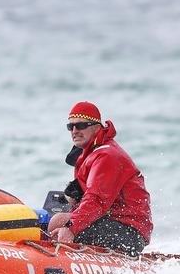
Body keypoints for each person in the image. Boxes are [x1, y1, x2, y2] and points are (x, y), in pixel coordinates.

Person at [48, 102, 153, 256]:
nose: (75, 131)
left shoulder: (107, 155)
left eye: (81, 125)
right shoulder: (89, 154)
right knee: (53, 218)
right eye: (71, 127)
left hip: (130, 232)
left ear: (97, 127)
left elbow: (96, 200)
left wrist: (70, 229)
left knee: (58, 221)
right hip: (110, 220)